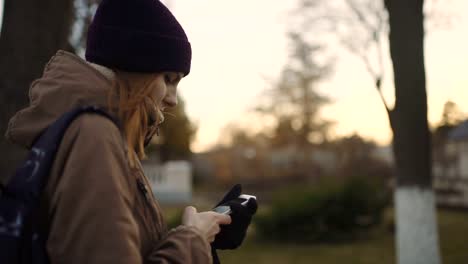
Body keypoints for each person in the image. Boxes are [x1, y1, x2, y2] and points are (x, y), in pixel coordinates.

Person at [5, 0, 232, 263]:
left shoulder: (98, 133)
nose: (173, 100)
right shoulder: (94, 136)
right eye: (168, 79)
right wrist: (193, 240)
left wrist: (196, 236)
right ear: (134, 67)